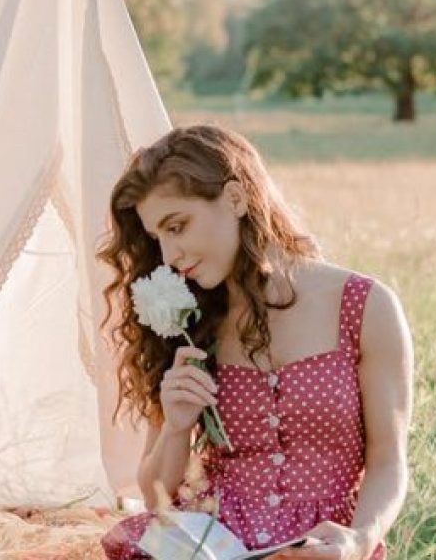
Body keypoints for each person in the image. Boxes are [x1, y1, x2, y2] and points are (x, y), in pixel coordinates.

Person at [96, 124, 413, 559]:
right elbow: (157, 499)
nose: (169, 256)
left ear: (235, 198)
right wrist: (176, 426)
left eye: (178, 226)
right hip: (209, 545)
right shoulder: (188, 324)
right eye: (158, 238)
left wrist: (360, 539)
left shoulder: (364, 307)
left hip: (326, 549)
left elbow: (389, 462)